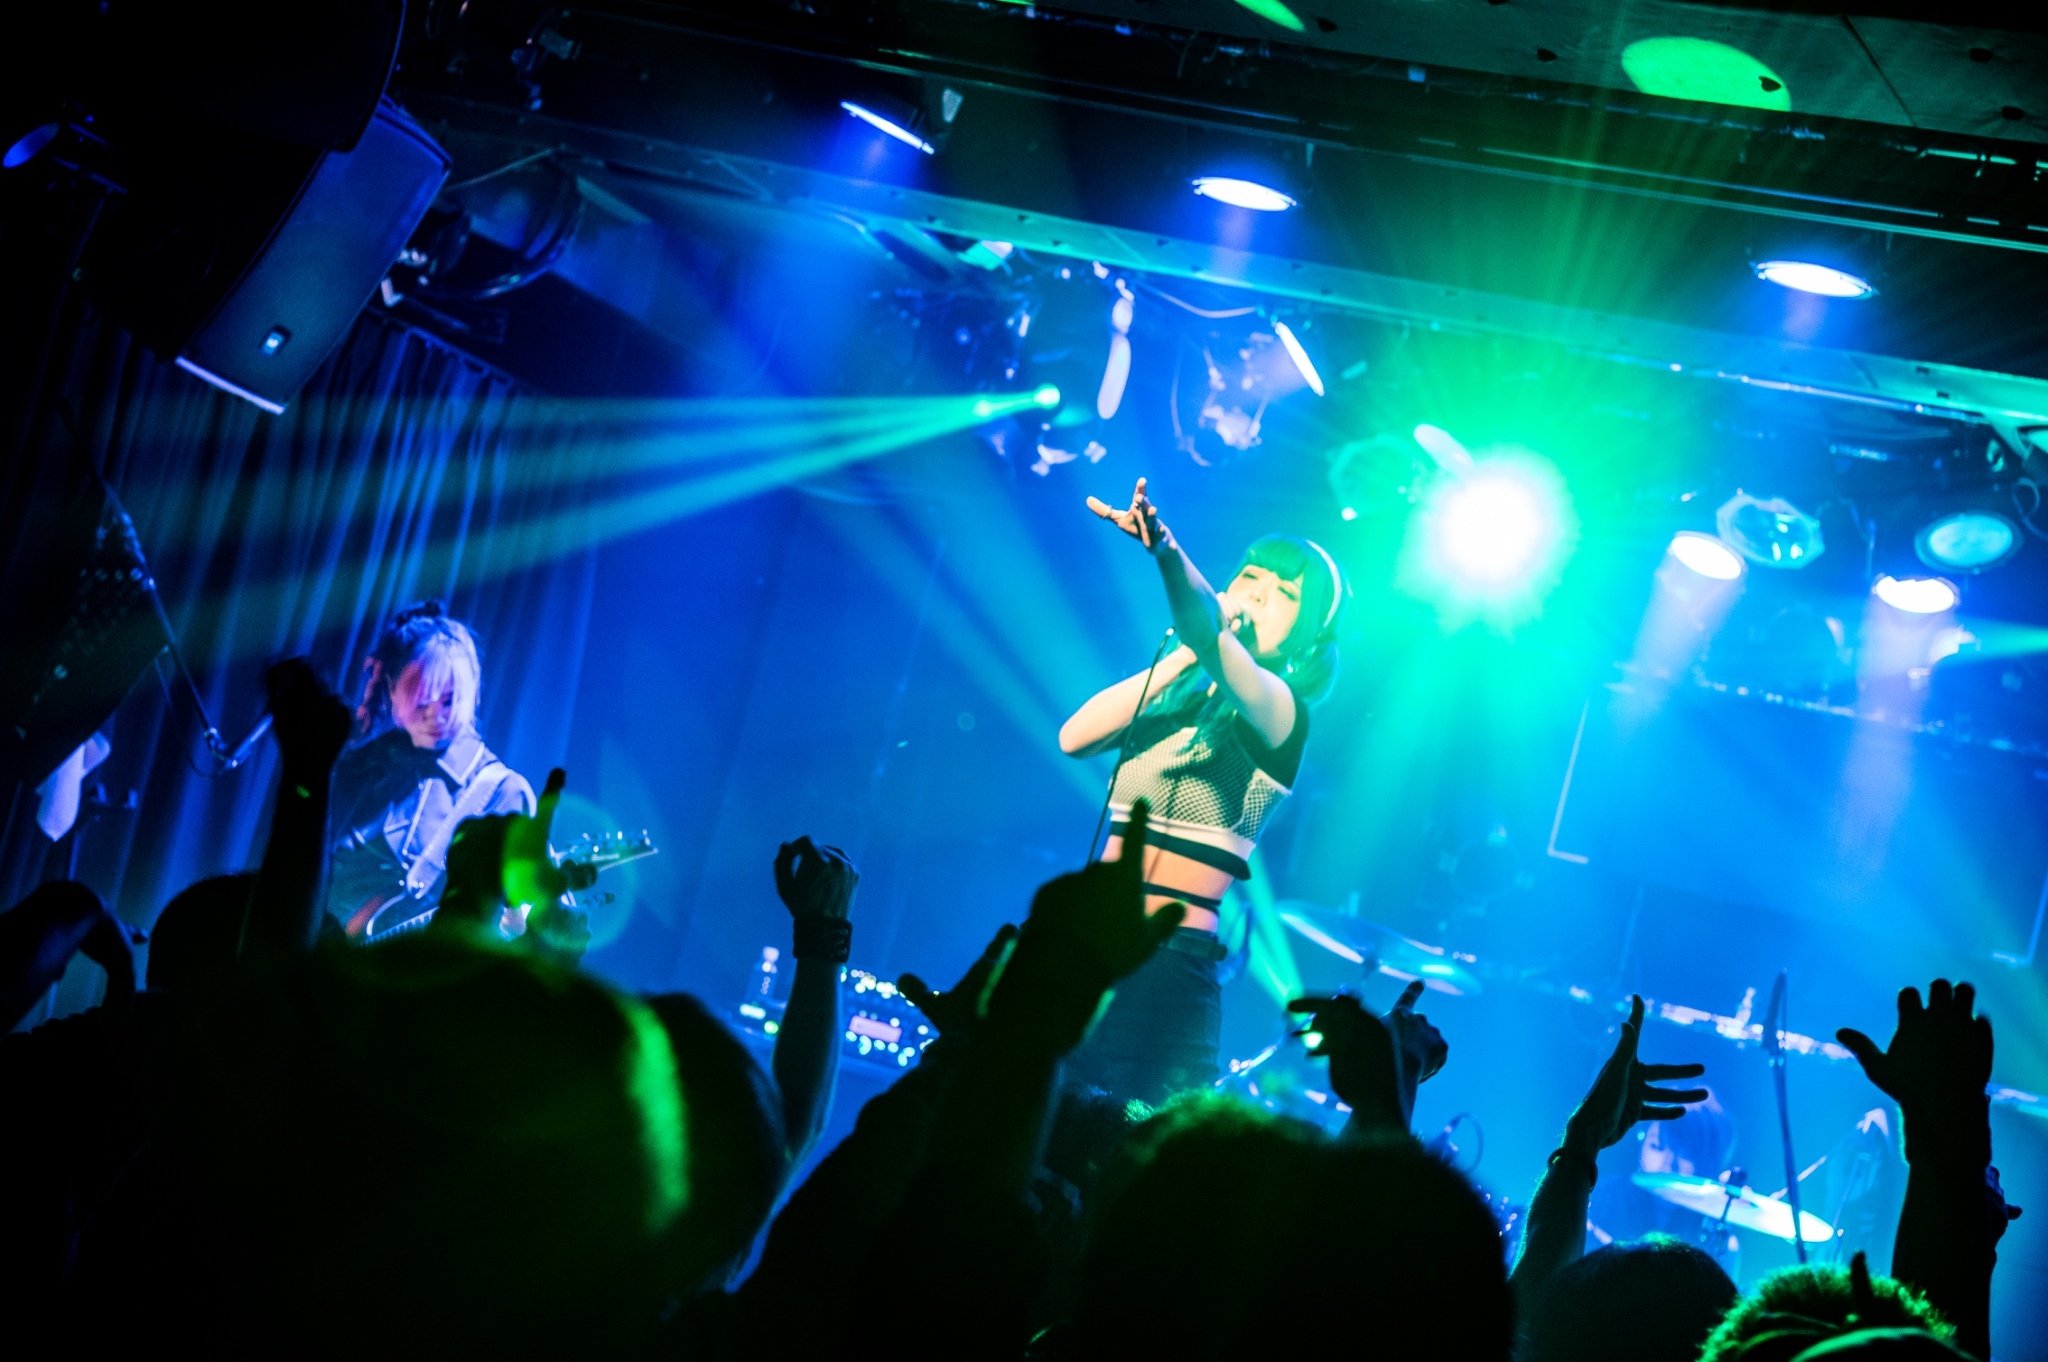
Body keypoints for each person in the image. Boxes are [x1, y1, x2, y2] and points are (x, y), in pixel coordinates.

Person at [1058, 477, 1344, 1104]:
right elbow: (1074, 738)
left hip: (1164, 967)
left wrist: (1164, 549)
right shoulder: (1173, 700)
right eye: (1251, 577)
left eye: (1285, 592)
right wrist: (1185, 659)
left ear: (1306, 638)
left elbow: (1204, 627)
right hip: (1086, 946)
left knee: (1129, 1148)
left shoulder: (1281, 713)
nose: (1258, 593)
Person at [326, 602, 535, 940]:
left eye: (450, 700)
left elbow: (518, 919)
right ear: (392, 689)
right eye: (422, 700)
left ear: (473, 692)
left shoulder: (502, 792)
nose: (435, 715)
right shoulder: (361, 765)